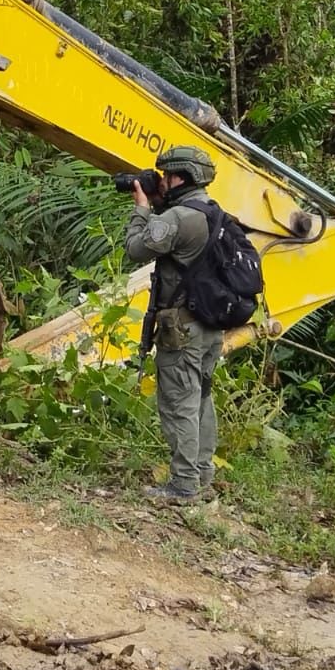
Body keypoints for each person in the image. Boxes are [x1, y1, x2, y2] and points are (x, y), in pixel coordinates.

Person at [124, 145, 224, 504]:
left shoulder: (178, 218)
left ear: (180, 177)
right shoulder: (212, 211)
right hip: (210, 325)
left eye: (166, 176)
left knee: (179, 403)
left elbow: (136, 249)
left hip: (182, 329)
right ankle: (201, 474)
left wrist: (142, 209)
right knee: (201, 399)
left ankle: (183, 485)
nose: (162, 181)